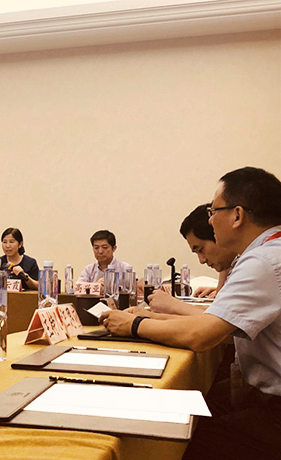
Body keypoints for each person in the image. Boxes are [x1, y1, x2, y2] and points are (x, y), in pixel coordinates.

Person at [100, 167, 281, 460]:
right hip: (264, 398)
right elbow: (215, 322)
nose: (210, 220)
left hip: (274, 411)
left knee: (177, 439)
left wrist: (134, 325)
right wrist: (149, 318)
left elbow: (201, 335)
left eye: (213, 211)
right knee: (188, 410)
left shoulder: (264, 261)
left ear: (237, 215)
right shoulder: (267, 253)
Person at [147, 204, 238, 316]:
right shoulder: (233, 264)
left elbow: (220, 322)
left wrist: (173, 305)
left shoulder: (251, 264)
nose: (201, 260)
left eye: (201, 249)